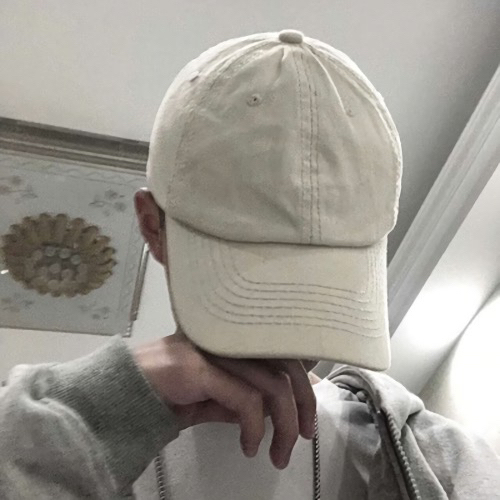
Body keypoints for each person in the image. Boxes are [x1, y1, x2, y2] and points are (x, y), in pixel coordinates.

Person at [1, 29, 499, 500]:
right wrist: (90, 411)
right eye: (250, 279)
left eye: (322, 287)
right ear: (153, 226)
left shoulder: (443, 459)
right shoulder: (39, 433)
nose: (287, 337)